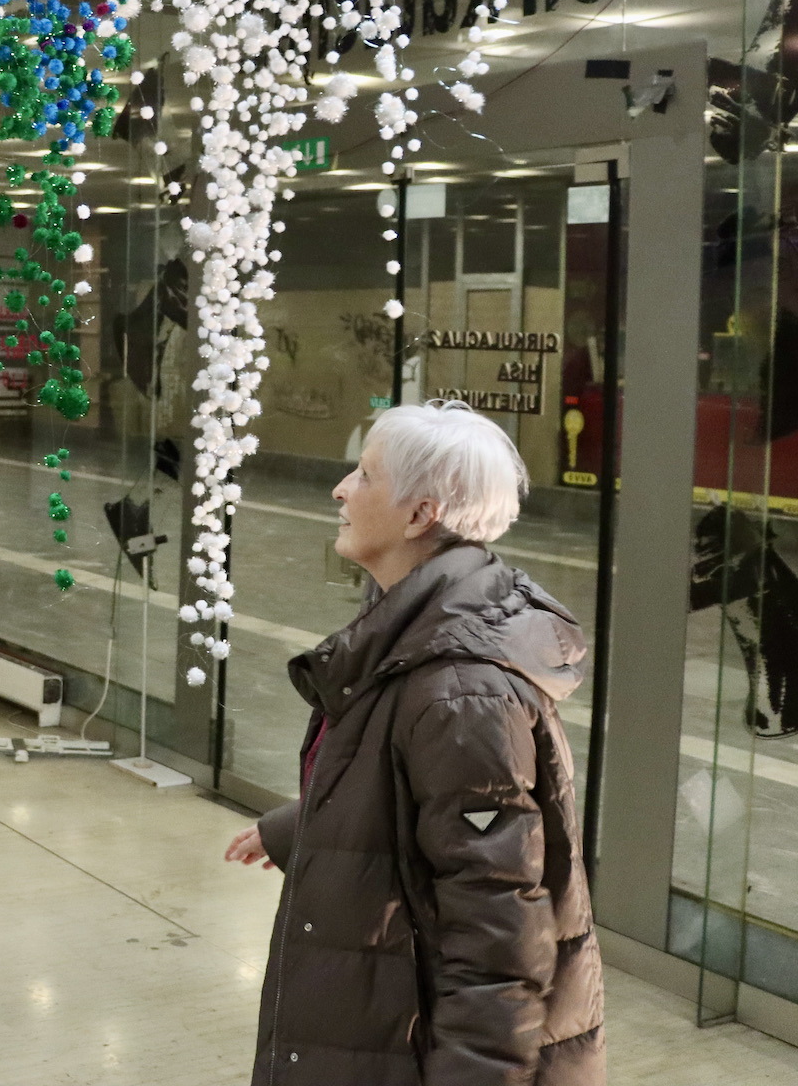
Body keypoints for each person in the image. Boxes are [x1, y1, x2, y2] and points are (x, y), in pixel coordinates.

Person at [224, 401, 602, 1085]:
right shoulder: (410, 630)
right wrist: (303, 827)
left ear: (421, 514)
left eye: (365, 476)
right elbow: (417, 792)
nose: (341, 489)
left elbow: (498, 931)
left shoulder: (461, 692)